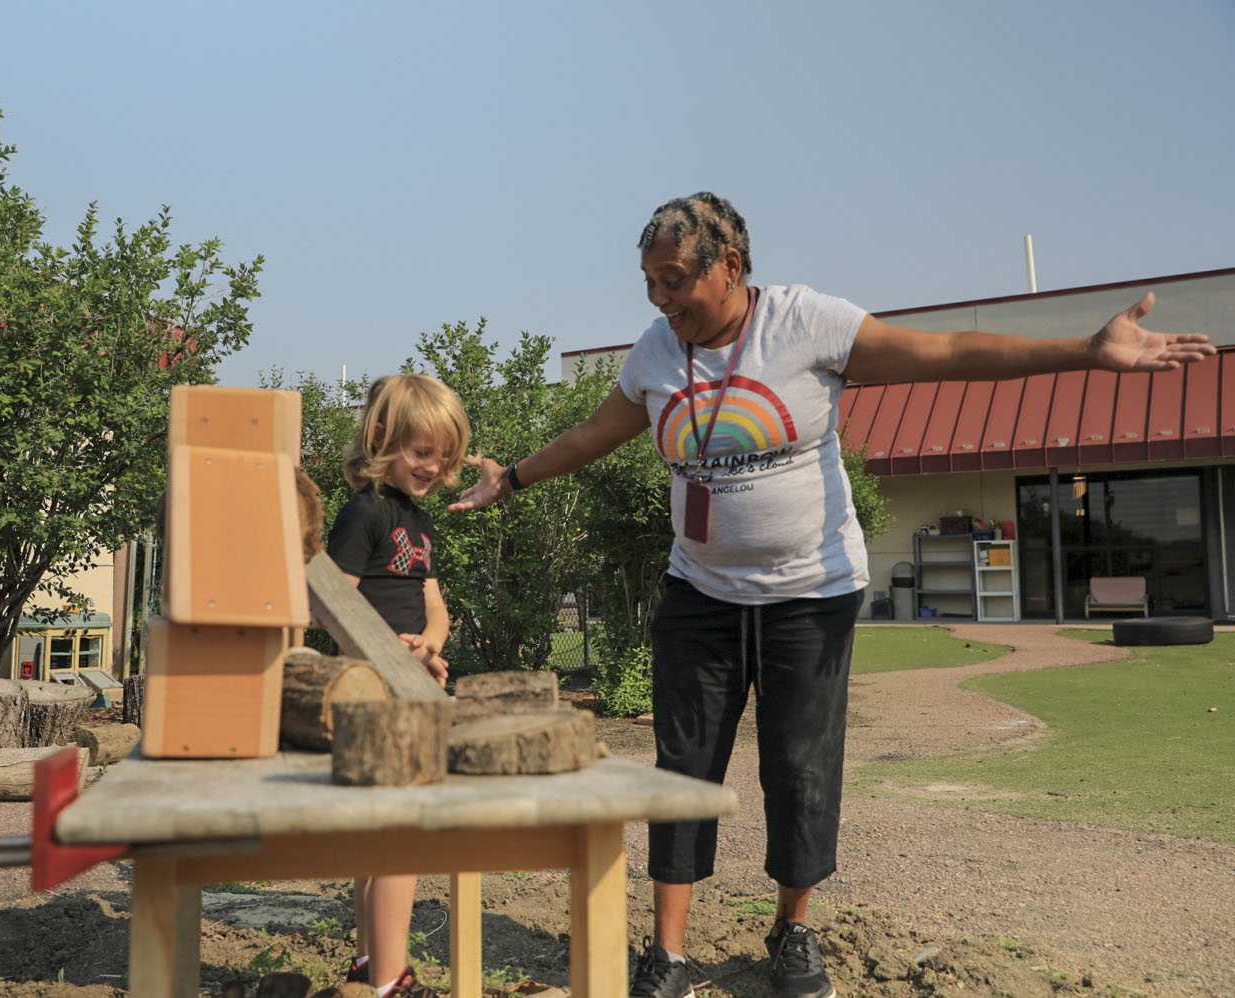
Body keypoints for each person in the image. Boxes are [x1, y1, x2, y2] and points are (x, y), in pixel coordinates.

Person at [449, 192, 1213, 998]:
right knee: (682, 770)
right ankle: (667, 952)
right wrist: (515, 477)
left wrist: (1085, 352)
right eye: (649, 283)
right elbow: (593, 433)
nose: (660, 299)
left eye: (674, 280)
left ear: (730, 268)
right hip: (699, 595)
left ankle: (794, 930)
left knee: (801, 767)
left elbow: (947, 350)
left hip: (810, 596)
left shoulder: (804, 324)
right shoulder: (653, 355)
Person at [322, 373, 468, 998]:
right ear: (383, 438)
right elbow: (334, 607)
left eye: (442, 456)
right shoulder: (364, 511)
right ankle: (390, 979)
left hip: (410, 682)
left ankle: (365, 963)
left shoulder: (417, 519)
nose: (432, 466)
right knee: (401, 834)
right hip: (374, 691)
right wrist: (390, 659)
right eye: (420, 452)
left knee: (384, 834)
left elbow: (432, 604)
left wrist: (428, 647)